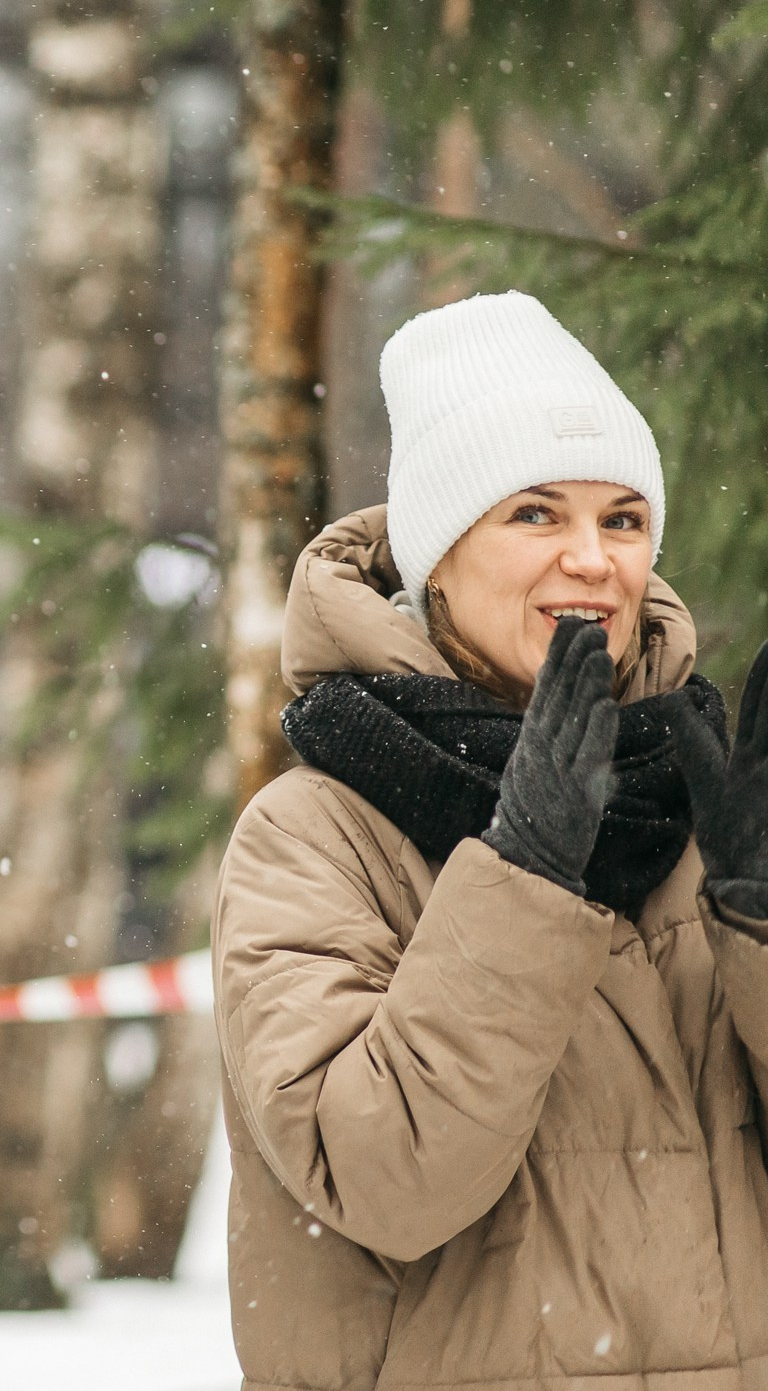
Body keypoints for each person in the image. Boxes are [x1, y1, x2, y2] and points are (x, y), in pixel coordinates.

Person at [215, 291, 768, 1388]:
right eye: (535, 515)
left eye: (622, 519)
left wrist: (758, 923)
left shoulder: (700, 795)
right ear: (438, 560)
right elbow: (385, 1182)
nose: (592, 560)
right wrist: (522, 874)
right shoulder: (312, 833)